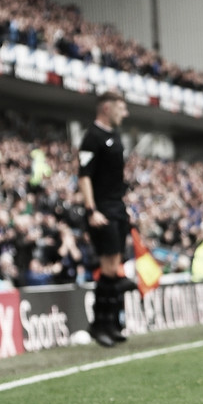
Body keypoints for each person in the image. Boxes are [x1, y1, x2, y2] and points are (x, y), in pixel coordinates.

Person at [78, 90, 134, 347]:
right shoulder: (92, 137)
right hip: (102, 209)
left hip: (117, 207)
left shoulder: (115, 136)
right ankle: (98, 325)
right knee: (108, 268)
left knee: (115, 268)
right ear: (106, 108)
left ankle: (111, 325)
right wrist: (91, 210)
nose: (125, 113)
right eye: (121, 108)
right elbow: (84, 175)